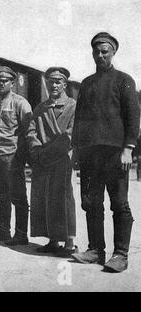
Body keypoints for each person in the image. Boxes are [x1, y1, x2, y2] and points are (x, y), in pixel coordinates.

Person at [71, 32, 140, 273]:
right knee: (91, 202)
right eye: (96, 52)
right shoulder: (87, 83)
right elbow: (79, 119)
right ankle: (95, 250)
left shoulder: (124, 80)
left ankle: (120, 254)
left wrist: (128, 149)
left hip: (115, 154)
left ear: (113, 52)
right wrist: (77, 150)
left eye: (105, 51)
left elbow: (133, 118)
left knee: (119, 203)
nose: (100, 55)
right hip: (90, 154)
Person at [26, 67, 77, 256]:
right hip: (43, 159)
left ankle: (70, 242)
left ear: (64, 84)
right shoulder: (40, 108)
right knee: (45, 198)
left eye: (57, 82)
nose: (53, 85)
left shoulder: (73, 105)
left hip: (63, 159)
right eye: (50, 82)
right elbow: (31, 132)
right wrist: (37, 149)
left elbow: (73, 132)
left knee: (64, 199)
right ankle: (53, 240)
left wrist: (53, 151)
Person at [0, 66, 32, 245]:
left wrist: (22, 156)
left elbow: (28, 131)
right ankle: (3, 231)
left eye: (5, 81)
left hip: (12, 156)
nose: (1, 83)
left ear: (12, 83)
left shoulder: (20, 103)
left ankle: (21, 234)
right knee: (1, 195)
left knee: (18, 196)